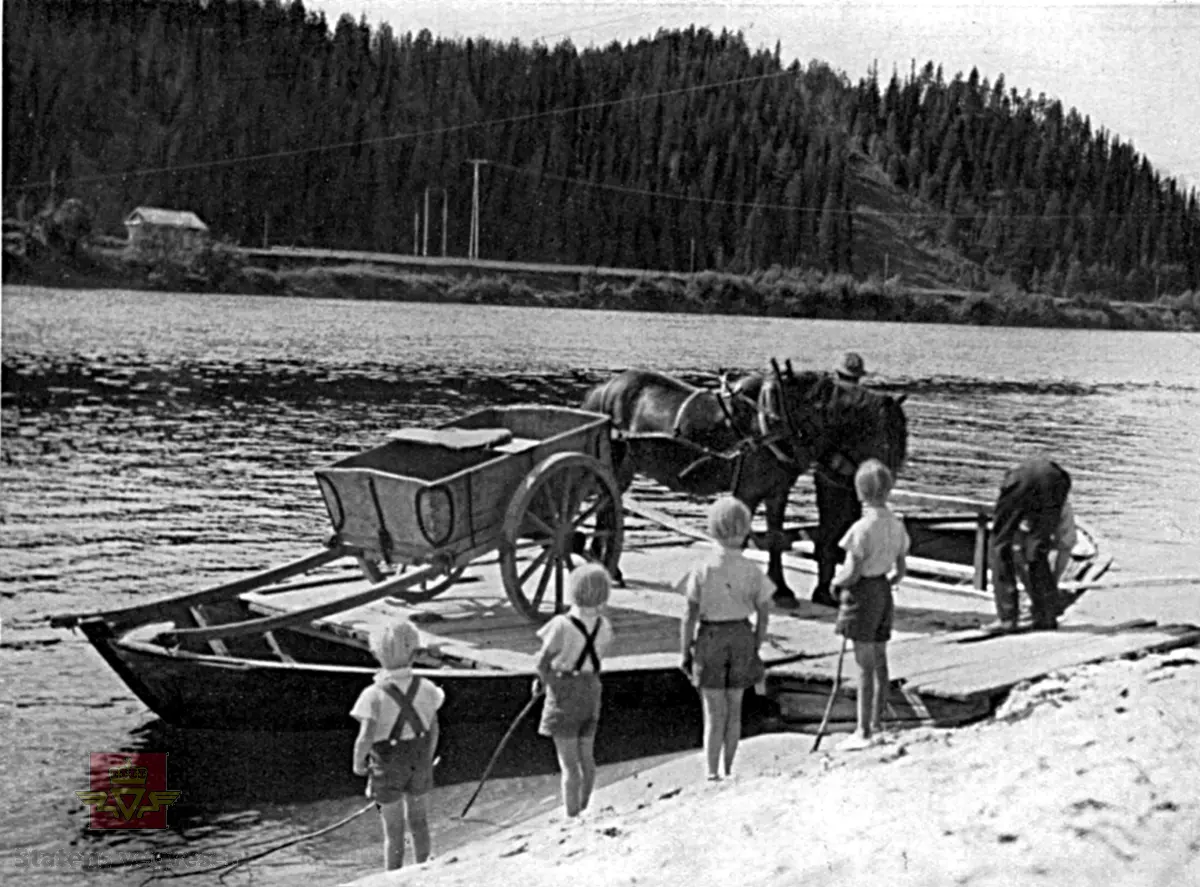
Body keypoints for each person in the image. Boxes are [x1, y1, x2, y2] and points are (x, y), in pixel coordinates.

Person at [678, 496, 774, 779]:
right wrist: (756, 643)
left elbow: (689, 614)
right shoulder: (752, 570)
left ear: (711, 529)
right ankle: (729, 768)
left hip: (710, 636)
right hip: (742, 634)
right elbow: (765, 612)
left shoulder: (702, 568)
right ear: (745, 531)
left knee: (713, 712)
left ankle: (711, 772)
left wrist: (685, 650)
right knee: (735, 710)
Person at [350, 618, 444, 871]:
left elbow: (365, 737)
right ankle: (423, 866)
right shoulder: (426, 688)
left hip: (387, 765)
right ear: (415, 652)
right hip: (420, 761)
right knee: (419, 821)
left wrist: (358, 763)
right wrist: (428, 757)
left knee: (393, 829)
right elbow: (433, 728)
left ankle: (394, 874)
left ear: (376, 654)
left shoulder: (372, 695)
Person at [831, 458, 909, 751]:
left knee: (863, 665)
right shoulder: (897, 525)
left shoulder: (861, 529)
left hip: (862, 592)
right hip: (883, 591)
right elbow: (901, 569)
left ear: (860, 493)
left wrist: (836, 583)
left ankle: (862, 730)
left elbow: (852, 570)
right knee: (880, 659)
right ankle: (878, 723)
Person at [533, 563, 614, 818]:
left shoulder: (561, 624)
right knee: (586, 757)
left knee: (568, 764)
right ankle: (584, 806)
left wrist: (543, 681)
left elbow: (542, 661)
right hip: (591, 689)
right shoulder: (604, 626)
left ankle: (571, 814)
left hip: (565, 690)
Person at [990, 458, 1077, 632]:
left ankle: (1007, 618)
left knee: (999, 545)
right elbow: (1065, 546)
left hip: (1024, 479)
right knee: (1037, 549)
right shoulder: (1063, 503)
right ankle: (1046, 616)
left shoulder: (1015, 480)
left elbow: (1006, 531)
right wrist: (1054, 582)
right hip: (1057, 479)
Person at [812, 352, 869, 607]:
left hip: (851, 478)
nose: (851, 384)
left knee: (850, 529)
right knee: (830, 531)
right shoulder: (824, 405)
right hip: (830, 476)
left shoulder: (862, 405)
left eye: (853, 380)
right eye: (848, 378)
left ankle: (842, 583)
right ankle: (824, 587)